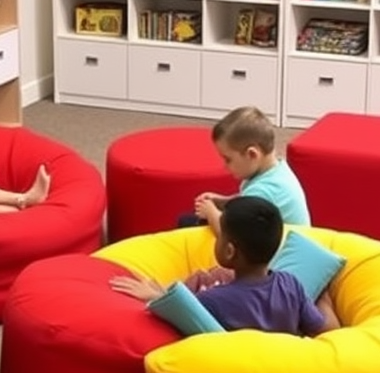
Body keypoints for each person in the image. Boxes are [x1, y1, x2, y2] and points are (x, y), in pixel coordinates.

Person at [112, 197, 339, 336]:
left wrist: (156, 296)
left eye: (220, 236)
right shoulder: (291, 285)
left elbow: (183, 314)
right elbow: (323, 328)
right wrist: (325, 298)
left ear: (229, 251)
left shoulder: (214, 300)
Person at [187, 105, 310, 234]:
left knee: (190, 225)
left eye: (228, 159)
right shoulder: (277, 169)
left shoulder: (264, 190)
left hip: (279, 252)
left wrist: (211, 213)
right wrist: (223, 201)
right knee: (190, 220)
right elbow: (246, 199)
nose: (224, 165)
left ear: (252, 154)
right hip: (267, 237)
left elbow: (234, 237)